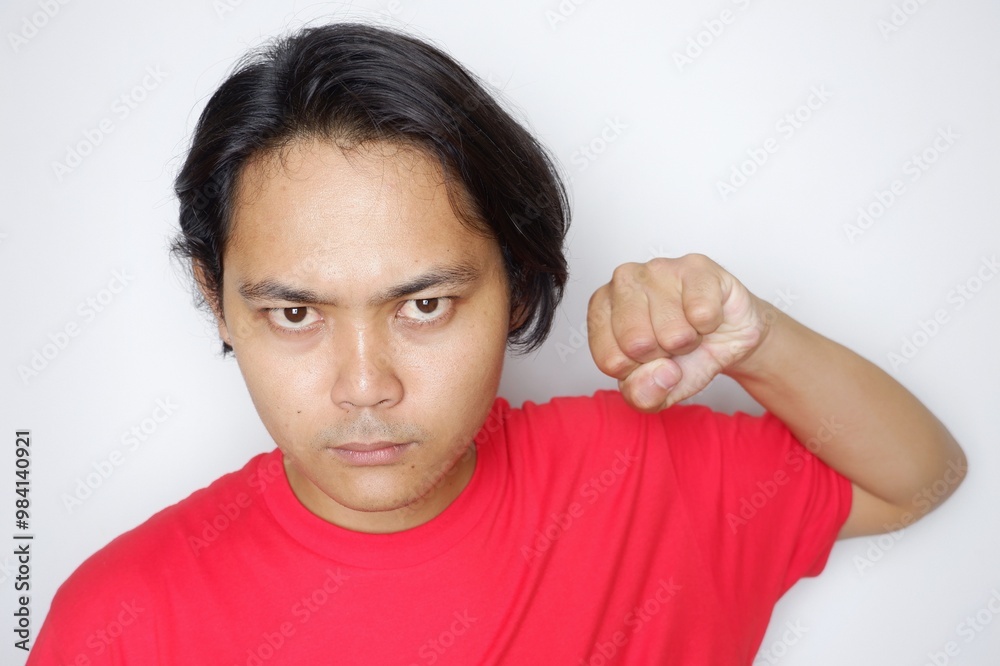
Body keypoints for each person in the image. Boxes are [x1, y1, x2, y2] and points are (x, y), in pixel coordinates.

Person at [28, 21, 966, 665]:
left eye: (424, 305)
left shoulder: (637, 478)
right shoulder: (121, 620)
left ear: (516, 286)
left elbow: (919, 479)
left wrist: (755, 340)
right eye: (297, 315)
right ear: (216, 299)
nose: (366, 385)